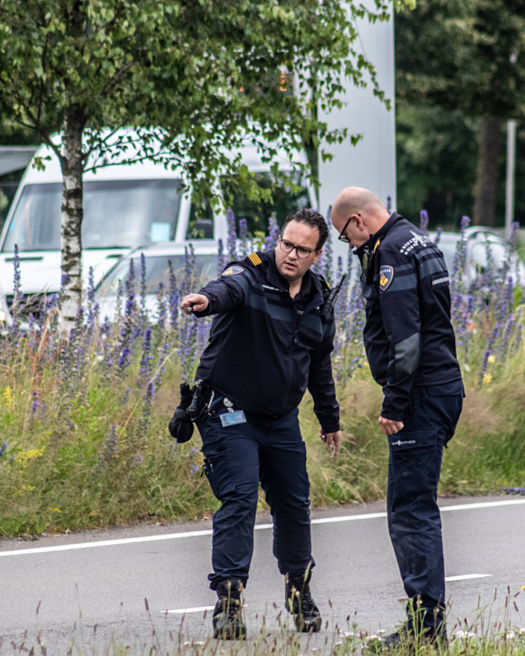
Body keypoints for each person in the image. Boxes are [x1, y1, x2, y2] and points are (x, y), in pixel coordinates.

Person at [179, 208, 342, 640]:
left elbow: (319, 363)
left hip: (281, 418)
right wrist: (205, 300)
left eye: (302, 249)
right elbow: (227, 287)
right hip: (230, 410)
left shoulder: (318, 297)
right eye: (286, 244)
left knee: (294, 504)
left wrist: (330, 419)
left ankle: (298, 588)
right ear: (279, 240)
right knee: (240, 496)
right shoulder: (251, 273)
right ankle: (229, 601)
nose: (290, 254)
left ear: (317, 254)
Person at [329, 187, 464, 650]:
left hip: (421, 395)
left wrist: (395, 402)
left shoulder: (389, 253)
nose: (349, 247)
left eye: (344, 235)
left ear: (359, 221)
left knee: (409, 511)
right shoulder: (420, 242)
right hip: (445, 387)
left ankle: (426, 630)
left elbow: (406, 338)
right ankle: (428, 624)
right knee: (415, 505)